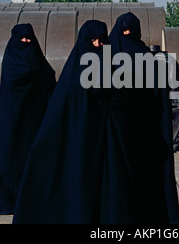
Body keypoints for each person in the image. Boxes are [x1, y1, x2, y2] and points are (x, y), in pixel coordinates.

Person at [12, 20, 110, 223]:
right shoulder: (74, 73)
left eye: (101, 40)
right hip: (79, 137)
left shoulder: (111, 67)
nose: (97, 45)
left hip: (103, 138)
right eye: (92, 40)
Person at [102, 12, 179, 224]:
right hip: (150, 133)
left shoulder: (109, 59)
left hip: (122, 134)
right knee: (149, 178)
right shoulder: (151, 60)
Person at [0, 23, 56, 215]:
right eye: (22, 39)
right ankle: (8, 201)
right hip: (14, 119)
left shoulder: (37, 60)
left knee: (32, 157)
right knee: (11, 157)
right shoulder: (11, 61)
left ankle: (31, 200)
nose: (26, 43)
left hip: (34, 119)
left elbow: (49, 81)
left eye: (29, 39)